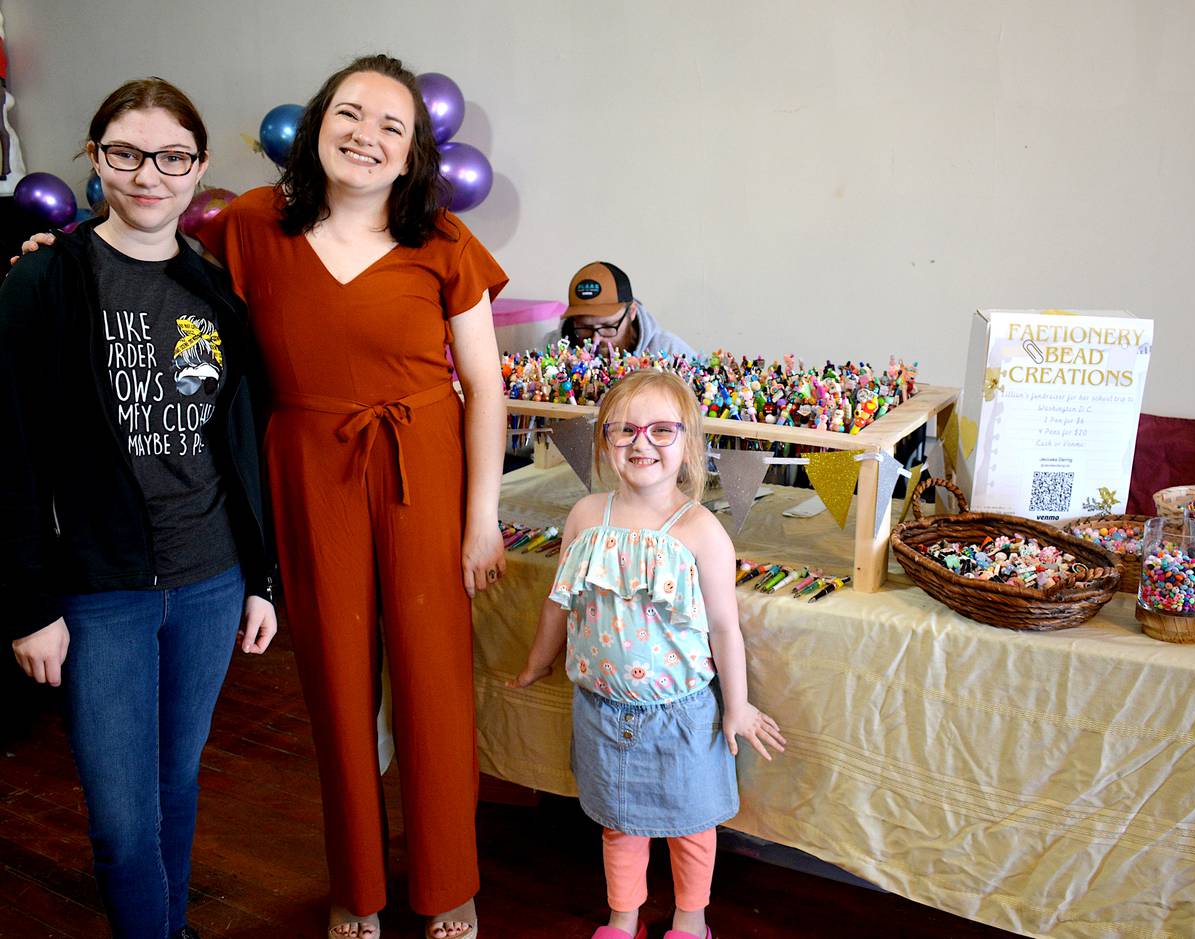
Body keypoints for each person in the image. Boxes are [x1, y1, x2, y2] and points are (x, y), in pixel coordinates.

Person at [190, 55, 510, 939]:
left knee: (434, 684)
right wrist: (59, 256)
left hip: (422, 465)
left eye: (391, 125)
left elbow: (486, 385)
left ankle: (447, 881)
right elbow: (158, 282)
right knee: (334, 686)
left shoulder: (442, 239)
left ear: (413, 154)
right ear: (317, 124)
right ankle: (355, 885)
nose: (366, 134)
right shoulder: (252, 224)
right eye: (350, 113)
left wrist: (481, 518)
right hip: (308, 464)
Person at [1, 78, 277, 939]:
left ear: (197, 170)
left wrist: (260, 578)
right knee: (122, 813)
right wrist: (28, 605)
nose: (148, 174)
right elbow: (5, 449)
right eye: (125, 153)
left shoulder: (216, 293)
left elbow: (240, 444)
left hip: (209, 580)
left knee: (176, 783)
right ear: (96, 158)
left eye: (171, 157)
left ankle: (165, 927)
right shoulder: (44, 279)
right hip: (97, 590)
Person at [509, 369, 785, 939]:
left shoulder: (702, 531)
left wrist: (736, 708)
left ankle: (691, 919)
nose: (641, 444)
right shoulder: (587, 517)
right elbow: (558, 604)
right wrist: (538, 662)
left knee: (691, 826)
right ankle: (622, 916)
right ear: (605, 441)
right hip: (602, 710)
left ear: (688, 444)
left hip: (681, 715)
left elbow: (724, 629)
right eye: (625, 430)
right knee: (619, 824)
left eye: (662, 430)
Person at [542, 261, 696, 359]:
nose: (595, 340)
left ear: (632, 312)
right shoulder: (550, 348)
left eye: (608, 326)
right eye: (585, 328)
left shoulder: (669, 351)